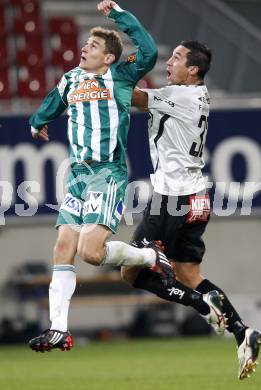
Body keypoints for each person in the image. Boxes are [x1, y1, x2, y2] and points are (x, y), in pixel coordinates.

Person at [28, 0, 176, 353]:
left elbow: (150, 51)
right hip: (78, 174)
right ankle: (58, 330)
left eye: (93, 46)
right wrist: (39, 121)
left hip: (108, 172)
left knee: (90, 253)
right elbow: (53, 100)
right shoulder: (71, 80)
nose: (85, 48)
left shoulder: (120, 76)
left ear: (109, 57)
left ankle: (151, 258)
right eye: (85, 44)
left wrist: (119, 16)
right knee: (63, 247)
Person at [121, 40, 261, 380]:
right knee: (189, 274)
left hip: (171, 198)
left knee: (132, 272)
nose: (169, 62)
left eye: (177, 58)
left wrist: (106, 73)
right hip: (197, 195)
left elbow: (133, 98)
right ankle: (243, 332)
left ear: (193, 69)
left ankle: (201, 306)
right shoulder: (198, 94)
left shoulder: (180, 95)